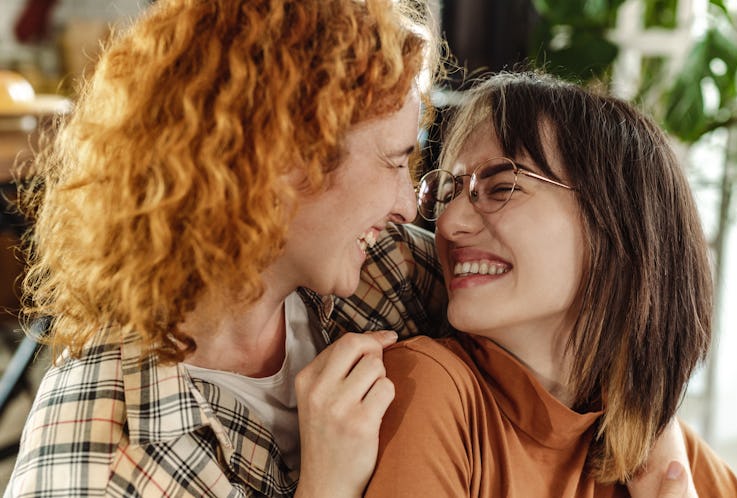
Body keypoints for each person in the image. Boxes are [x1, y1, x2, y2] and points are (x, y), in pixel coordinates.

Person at [5, 0, 445, 496]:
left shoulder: (382, 265)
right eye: (393, 161)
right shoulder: (96, 470)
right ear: (276, 162)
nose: (408, 207)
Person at [364, 71, 737, 497]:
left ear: (617, 227)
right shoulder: (431, 389)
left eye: (502, 187)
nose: (450, 224)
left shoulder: (667, 457)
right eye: (450, 191)